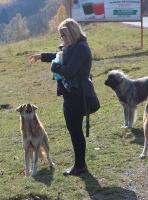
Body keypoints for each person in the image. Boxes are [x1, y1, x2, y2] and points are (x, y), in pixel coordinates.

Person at [29, 18, 97, 176]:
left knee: (75, 131)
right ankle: (80, 164)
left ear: (70, 33)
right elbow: (60, 56)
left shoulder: (81, 47)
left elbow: (70, 69)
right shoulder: (72, 46)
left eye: (62, 35)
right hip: (71, 95)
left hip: (78, 95)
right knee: (73, 130)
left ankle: (80, 165)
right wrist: (42, 56)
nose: (61, 39)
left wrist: (54, 66)